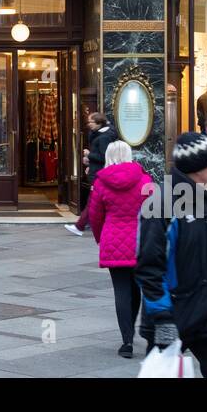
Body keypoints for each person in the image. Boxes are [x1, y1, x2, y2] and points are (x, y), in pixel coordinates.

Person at [137, 132, 207, 377]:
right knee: (162, 373)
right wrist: (162, 317)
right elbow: (149, 267)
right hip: (169, 318)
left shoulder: (205, 200)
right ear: (197, 168)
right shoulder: (161, 204)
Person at [87, 138, 152, 358]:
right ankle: (142, 334)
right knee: (140, 290)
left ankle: (127, 341)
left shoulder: (102, 182)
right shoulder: (144, 180)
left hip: (114, 240)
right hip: (141, 241)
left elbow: (95, 216)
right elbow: (154, 212)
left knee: (121, 291)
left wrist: (100, 238)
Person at [68, 113, 115, 237]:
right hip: (97, 172)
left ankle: (80, 226)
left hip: (100, 174)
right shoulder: (100, 134)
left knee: (93, 200)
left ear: (99, 123)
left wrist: (89, 155)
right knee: (96, 200)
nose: (88, 125)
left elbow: (104, 157)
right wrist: (89, 163)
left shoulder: (104, 137)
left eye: (91, 122)